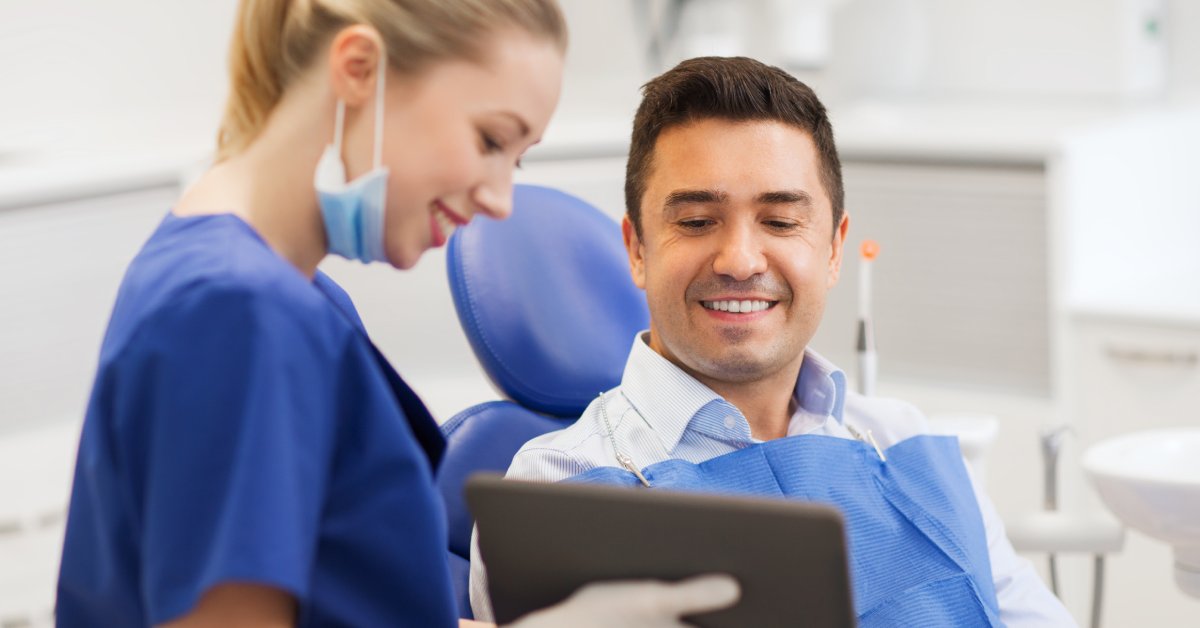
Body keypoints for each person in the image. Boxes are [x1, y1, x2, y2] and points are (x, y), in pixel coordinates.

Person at [55, 1, 739, 626]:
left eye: (517, 161)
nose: (501, 201)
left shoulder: (271, 288)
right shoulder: (240, 312)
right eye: (490, 141)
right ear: (359, 70)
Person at [469, 56, 1077, 626]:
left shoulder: (909, 443)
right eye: (696, 222)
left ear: (835, 248)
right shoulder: (558, 488)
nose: (739, 259)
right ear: (636, 249)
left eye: (781, 221)